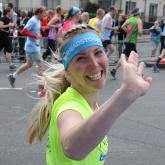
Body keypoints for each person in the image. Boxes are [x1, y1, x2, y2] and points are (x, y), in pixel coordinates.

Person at [25, 24, 152, 165]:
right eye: (81, 58)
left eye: (98, 52)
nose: (94, 63)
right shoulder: (68, 105)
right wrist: (125, 94)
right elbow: (73, 149)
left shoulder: (91, 104)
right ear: (67, 73)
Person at [8, 7, 46, 88]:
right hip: (32, 47)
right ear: (39, 13)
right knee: (41, 65)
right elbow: (23, 31)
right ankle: (41, 87)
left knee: (29, 64)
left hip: (33, 46)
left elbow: (34, 31)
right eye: (43, 13)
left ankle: (13, 76)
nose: (44, 14)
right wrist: (35, 36)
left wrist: (40, 32)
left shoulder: (38, 20)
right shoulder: (33, 20)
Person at [110, 8, 143, 79]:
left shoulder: (129, 20)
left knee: (125, 56)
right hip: (132, 41)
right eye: (140, 13)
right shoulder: (138, 20)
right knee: (135, 56)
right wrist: (139, 33)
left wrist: (128, 31)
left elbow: (122, 26)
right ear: (138, 14)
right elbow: (140, 32)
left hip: (127, 40)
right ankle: (137, 73)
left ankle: (114, 70)